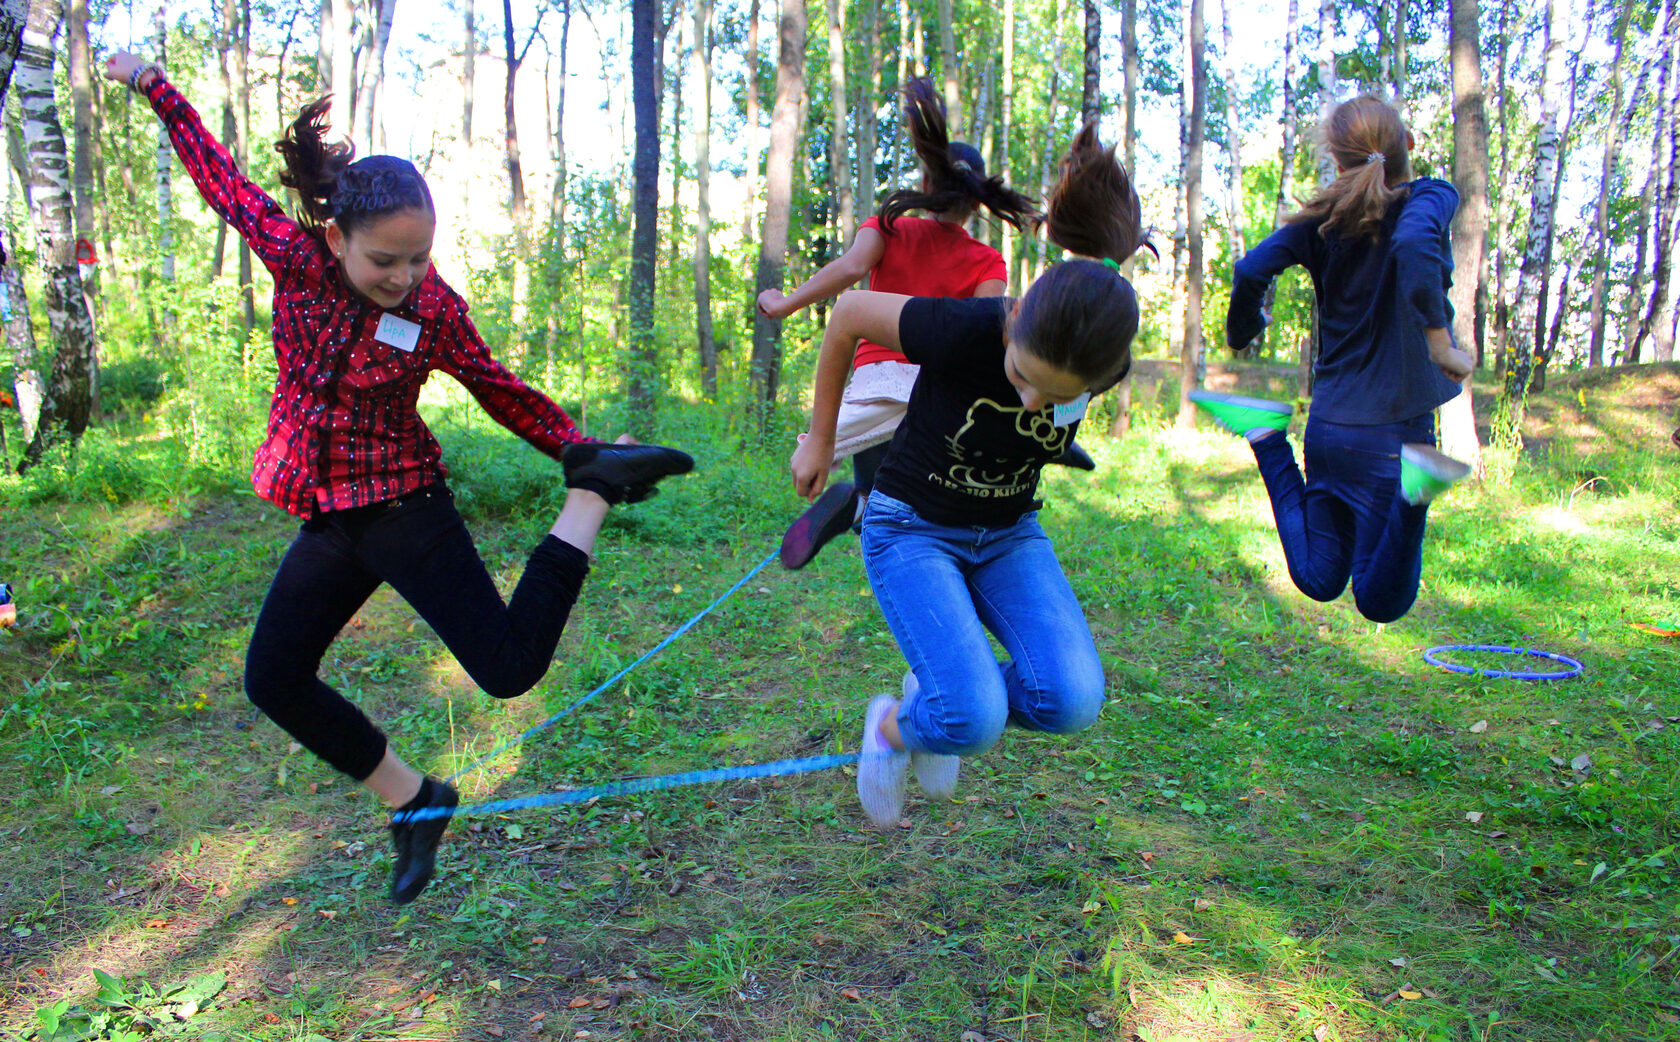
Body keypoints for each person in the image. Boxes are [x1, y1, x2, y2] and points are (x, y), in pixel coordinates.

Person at [105, 53, 694, 905]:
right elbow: (221, 180)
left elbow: (497, 387)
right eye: (386, 260)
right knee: (273, 677)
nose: (404, 278)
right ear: (339, 239)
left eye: (419, 259)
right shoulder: (294, 258)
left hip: (405, 505)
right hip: (330, 515)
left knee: (506, 669)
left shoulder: (434, 311)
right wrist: (155, 86)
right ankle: (417, 801)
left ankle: (588, 497)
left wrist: (578, 448)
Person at [791, 122, 1145, 828]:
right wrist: (820, 440)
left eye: (1055, 395)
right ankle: (894, 728)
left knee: (1070, 699)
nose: (1031, 403)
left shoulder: (1100, 353)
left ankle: (939, 705)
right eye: (1021, 377)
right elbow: (850, 315)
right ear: (1012, 321)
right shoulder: (968, 326)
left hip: (1008, 534)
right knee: (976, 719)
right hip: (911, 528)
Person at [761, 78, 1091, 571]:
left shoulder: (889, 227)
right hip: (938, 394)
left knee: (843, 468)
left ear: (926, 183)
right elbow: (990, 335)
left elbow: (850, 271)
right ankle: (1039, 436)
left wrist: (786, 303)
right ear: (976, 201)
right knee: (925, 478)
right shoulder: (986, 259)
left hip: (875, 385)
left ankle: (854, 501)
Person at [1191, 96, 1473, 625]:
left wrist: (1243, 330)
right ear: (1407, 146)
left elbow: (1251, 268)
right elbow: (1413, 245)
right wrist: (1440, 345)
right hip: (1395, 435)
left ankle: (1267, 436)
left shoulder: (1322, 220)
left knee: (1320, 578)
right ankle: (1415, 494)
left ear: (1339, 163)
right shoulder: (1431, 197)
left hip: (1332, 428)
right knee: (1380, 601)